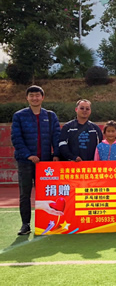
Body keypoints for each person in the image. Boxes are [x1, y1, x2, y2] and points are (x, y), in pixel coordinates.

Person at [11, 85, 61, 236]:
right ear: (27, 98)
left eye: (37, 95)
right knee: (25, 194)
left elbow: (56, 136)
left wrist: (56, 154)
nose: (35, 98)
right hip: (25, 162)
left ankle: (47, 223)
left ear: (42, 97)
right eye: (31, 95)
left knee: (46, 194)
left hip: (45, 164)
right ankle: (25, 224)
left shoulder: (50, 116)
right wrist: (28, 155)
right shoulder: (19, 116)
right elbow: (16, 138)